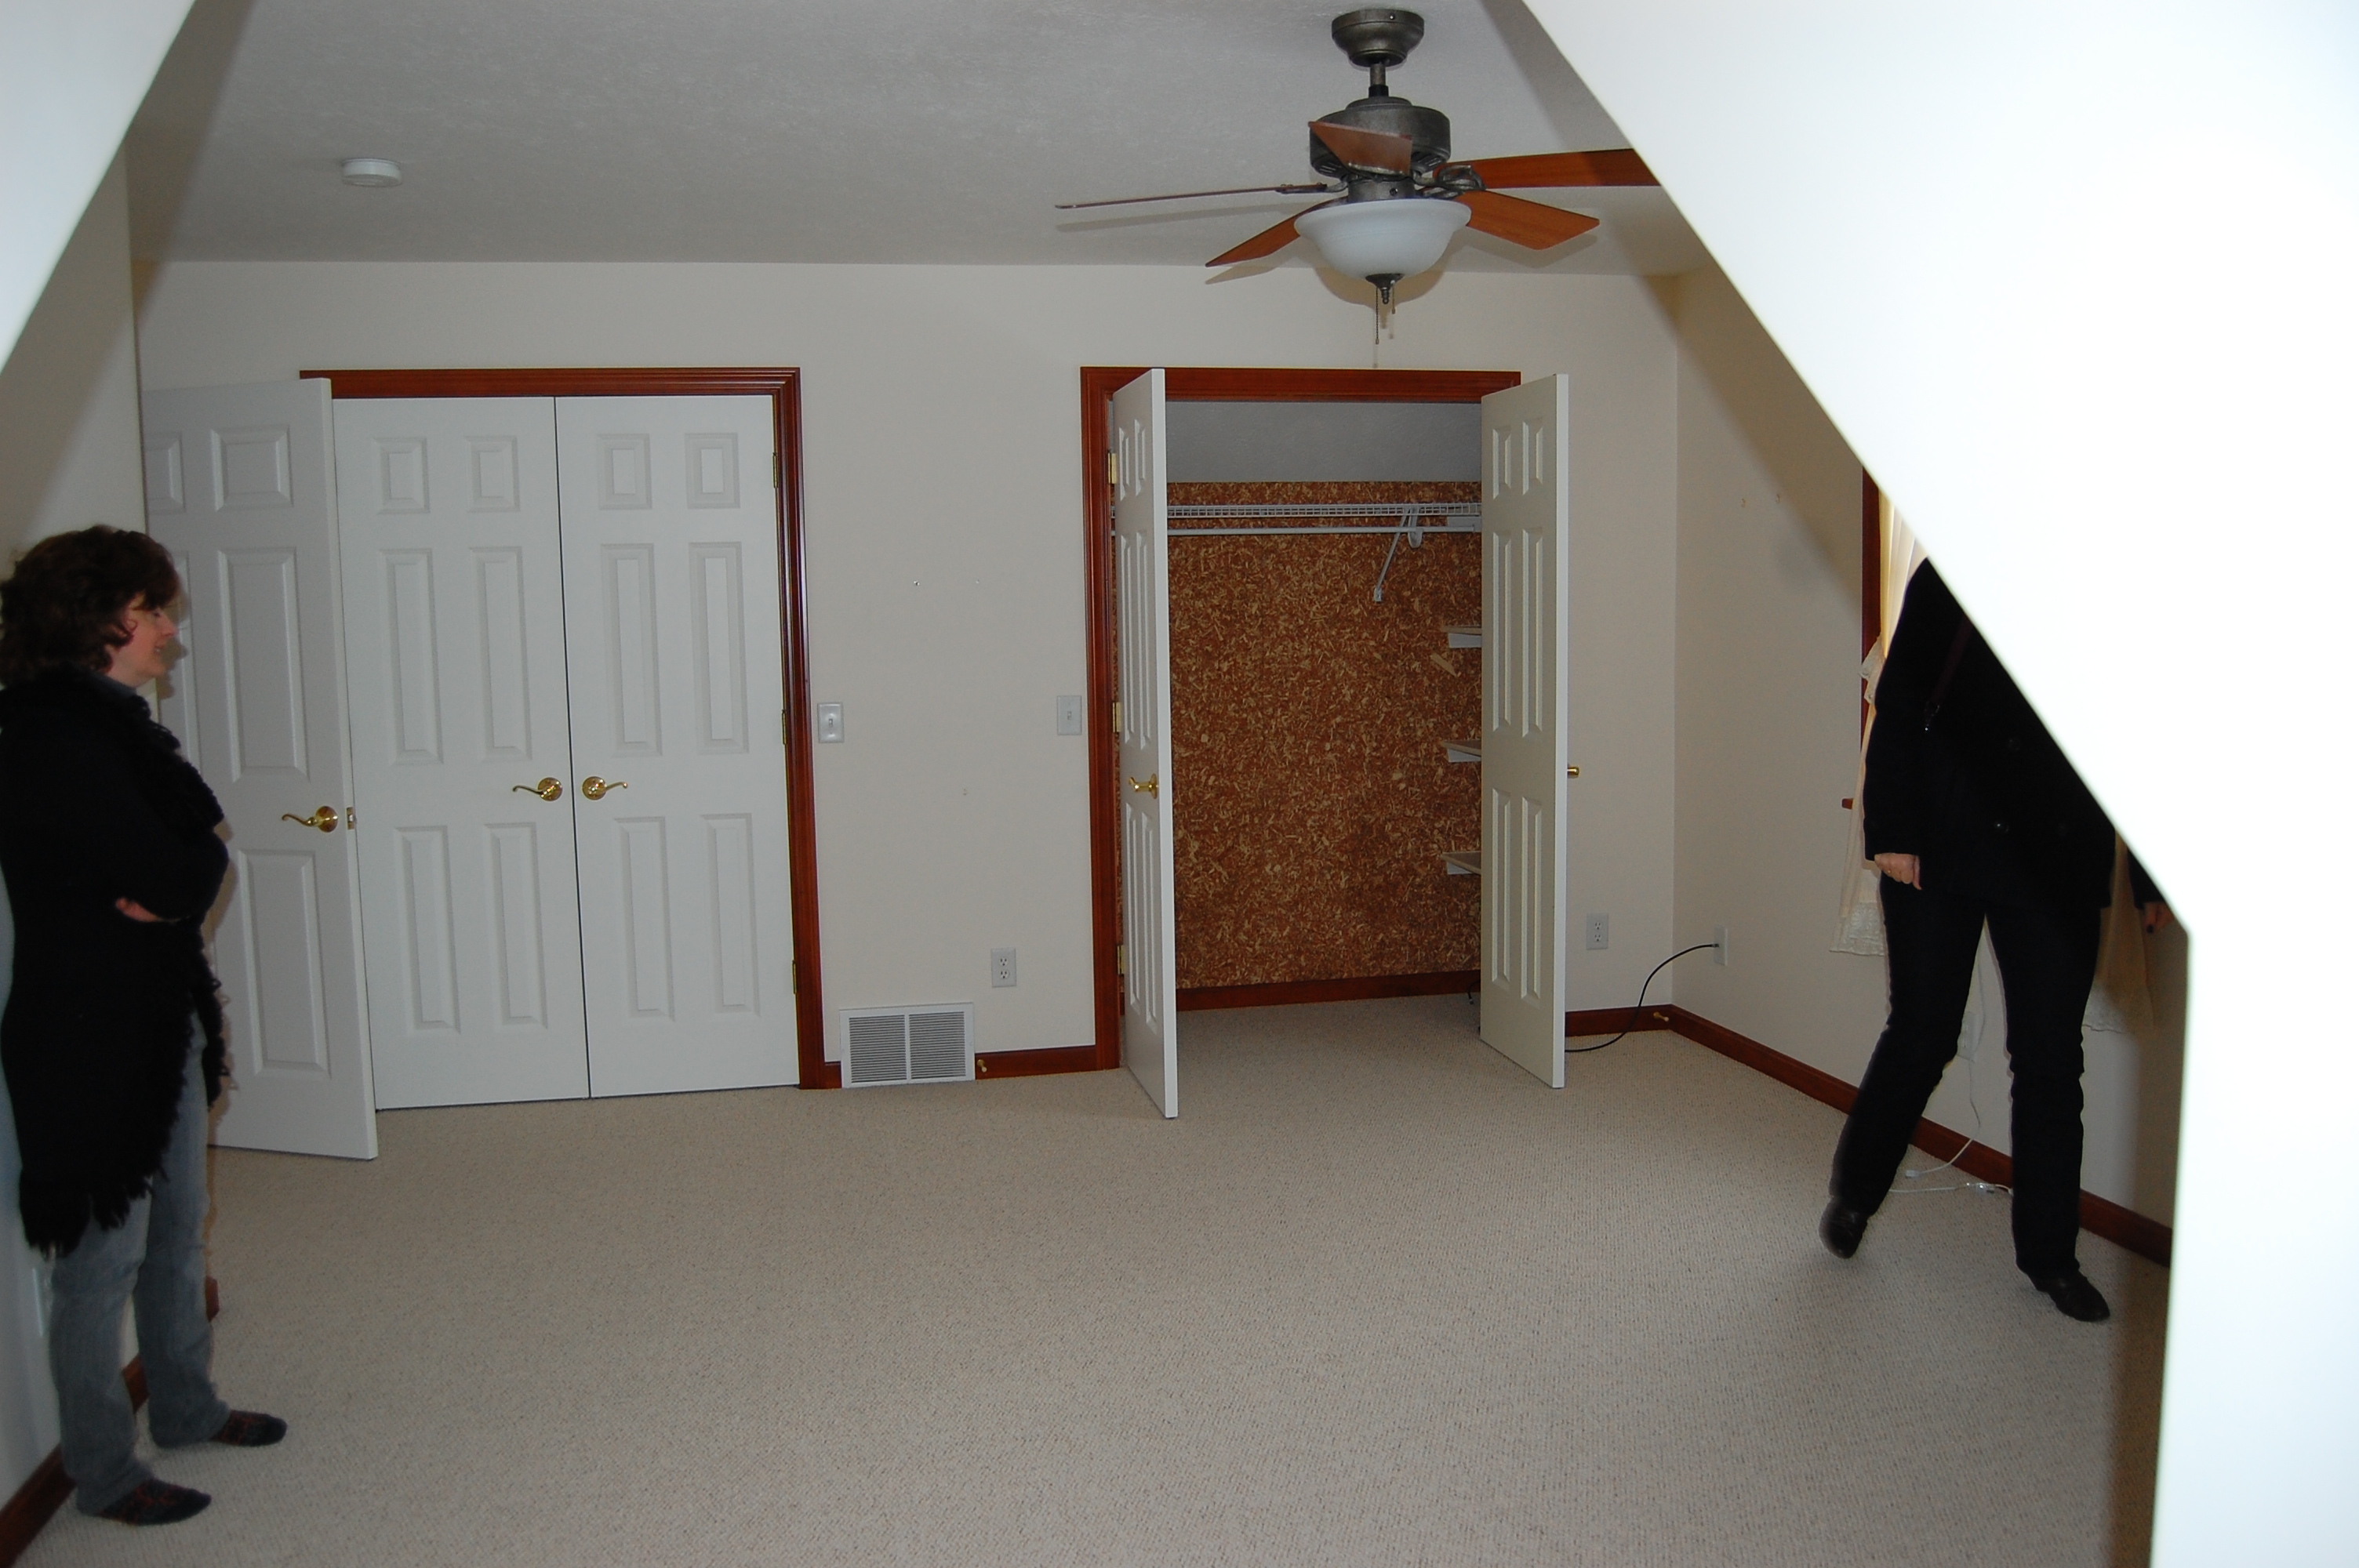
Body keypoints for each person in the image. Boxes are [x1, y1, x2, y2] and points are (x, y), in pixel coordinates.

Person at [0, 526, 286, 1526]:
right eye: (153, 610)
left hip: (159, 1011)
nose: (169, 628)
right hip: (86, 1034)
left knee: (175, 1230)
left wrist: (179, 877)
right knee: (97, 1264)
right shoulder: (49, 737)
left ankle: (187, 1405)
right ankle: (104, 1473)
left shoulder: (118, 727)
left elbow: (200, 859)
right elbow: (176, 864)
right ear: (99, 619)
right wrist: (178, 874)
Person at [1819, 560, 2162, 1322]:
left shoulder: (2115, 588)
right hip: (1940, 836)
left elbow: (2141, 734)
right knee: (1923, 1032)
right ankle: (1854, 1195)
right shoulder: (1953, 568)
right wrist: (1893, 829)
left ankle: (2051, 1256)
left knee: (2050, 1058)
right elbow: (1899, 699)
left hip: (2057, 852)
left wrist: (2153, 876)